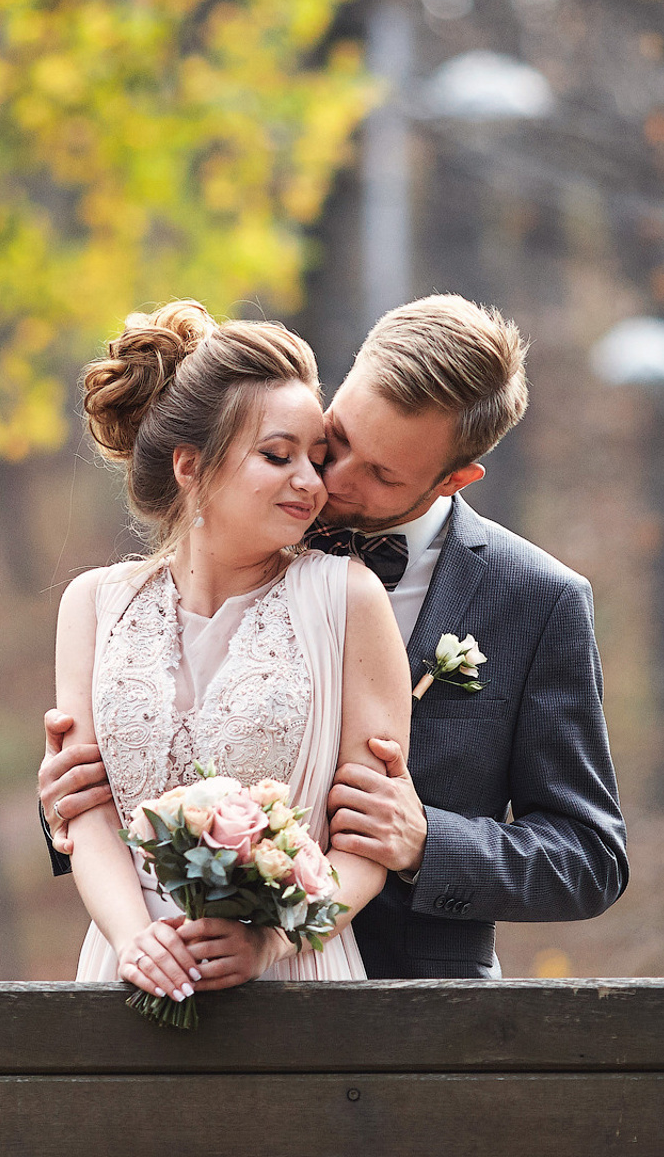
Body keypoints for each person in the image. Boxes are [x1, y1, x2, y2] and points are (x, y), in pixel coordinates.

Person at [44, 294, 628, 978]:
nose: (329, 481)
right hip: (160, 958)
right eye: (337, 440)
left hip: (412, 1001)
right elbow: (139, 749)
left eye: (382, 474)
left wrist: (423, 842)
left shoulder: (537, 601)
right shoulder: (252, 514)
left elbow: (590, 856)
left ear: (453, 479)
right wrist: (68, 796)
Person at [52, 301, 410, 1001]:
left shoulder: (348, 597)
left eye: (316, 457)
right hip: (128, 973)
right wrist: (134, 940)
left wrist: (269, 940)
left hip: (294, 976)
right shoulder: (92, 605)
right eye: (278, 456)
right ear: (191, 465)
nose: (312, 482)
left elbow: (368, 842)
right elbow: (86, 810)